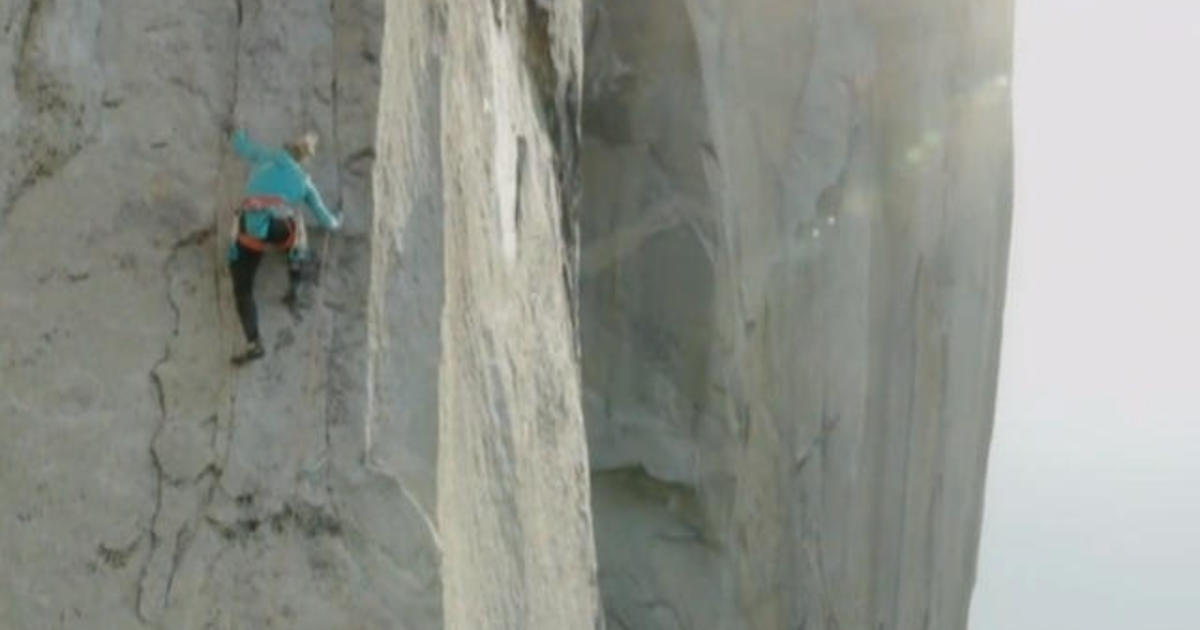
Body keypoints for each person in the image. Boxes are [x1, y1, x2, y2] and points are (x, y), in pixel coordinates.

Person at [227, 128, 341, 365]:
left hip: (251, 230)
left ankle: (254, 342)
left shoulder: (267, 156)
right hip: (279, 232)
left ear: (285, 149)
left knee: (243, 290)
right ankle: (296, 280)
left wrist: (236, 134)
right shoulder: (303, 180)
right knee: (296, 224)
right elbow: (324, 217)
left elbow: (243, 147)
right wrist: (337, 220)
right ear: (303, 159)